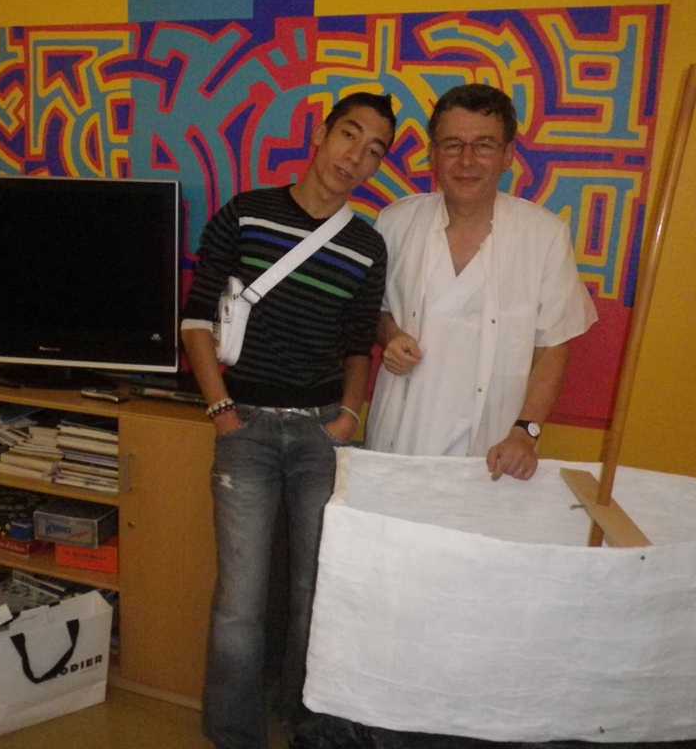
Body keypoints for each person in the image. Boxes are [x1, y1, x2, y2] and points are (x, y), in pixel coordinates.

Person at [180, 92, 396, 749]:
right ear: (321, 133)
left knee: (316, 592)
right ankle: (235, 735)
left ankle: (308, 725)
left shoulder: (366, 245)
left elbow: (358, 345)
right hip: (244, 428)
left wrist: (349, 416)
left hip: (321, 433)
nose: (356, 156)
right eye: (349, 135)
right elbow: (196, 319)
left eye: (374, 150)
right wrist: (221, 409)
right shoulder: (245, 213)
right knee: (241, 600)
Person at [366, 83, 597, 481]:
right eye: (452, 145)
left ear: (507, 155)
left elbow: (554, 345)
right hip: (400, 437)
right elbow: (376, 311)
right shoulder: (395, 222)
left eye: (484, 145)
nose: (467, 160)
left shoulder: (544, 235)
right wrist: (390, 335)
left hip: (494, 447)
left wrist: (526, 432)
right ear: (433, 153)